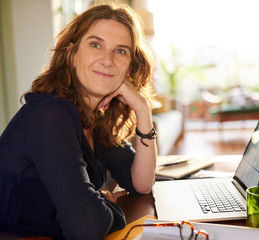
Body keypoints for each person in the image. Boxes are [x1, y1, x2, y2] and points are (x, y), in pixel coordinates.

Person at [0, 3, 157, 240]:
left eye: (120, 51)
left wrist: (143, 110)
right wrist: (105, 203)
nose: (107, 60)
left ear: (130, 68)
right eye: (96, 45)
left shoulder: (96, 118)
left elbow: (141, 184)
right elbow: (86, 228)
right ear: (71, 55)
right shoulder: (50, 115)